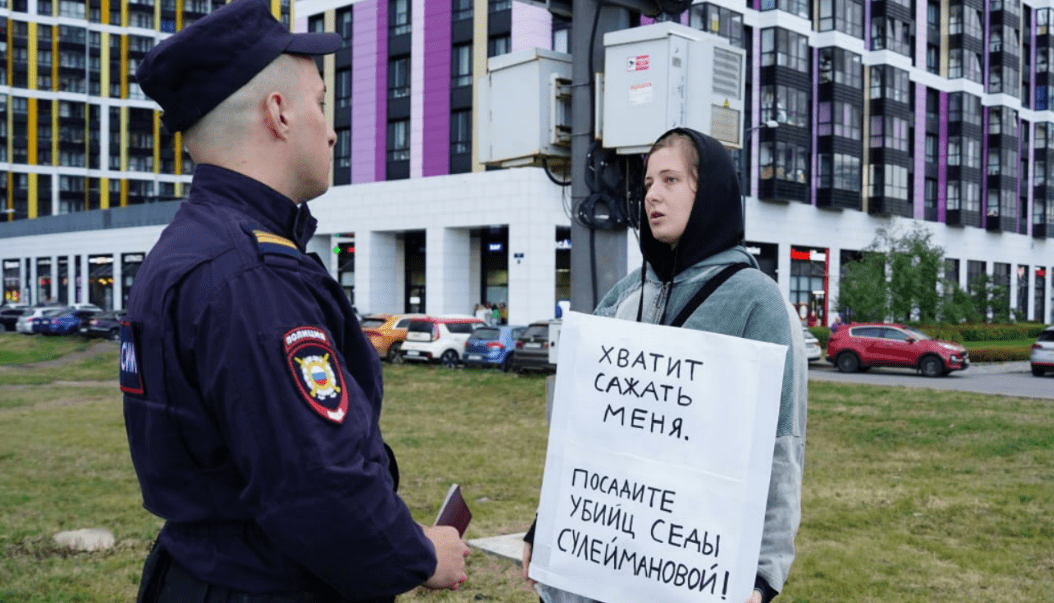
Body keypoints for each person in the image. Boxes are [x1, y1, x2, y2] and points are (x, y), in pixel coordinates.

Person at [122, 2, 469, 601]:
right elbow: (317, 483)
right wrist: (419, 555)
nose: (332, 129)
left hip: (204, 573)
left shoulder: (187, 249)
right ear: (278, 113)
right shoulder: (248, 275)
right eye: (320, 103)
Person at [521, 128, 807, 603]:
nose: (651, 193)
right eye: (648, 182)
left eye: (670, 179)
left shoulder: (758, 301)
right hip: (601, 561)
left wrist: (761, 576)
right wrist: (547, 520)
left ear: (708, 191)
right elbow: (584, 433)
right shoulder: (627, 293)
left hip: (687, 566)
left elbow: (781, 445)